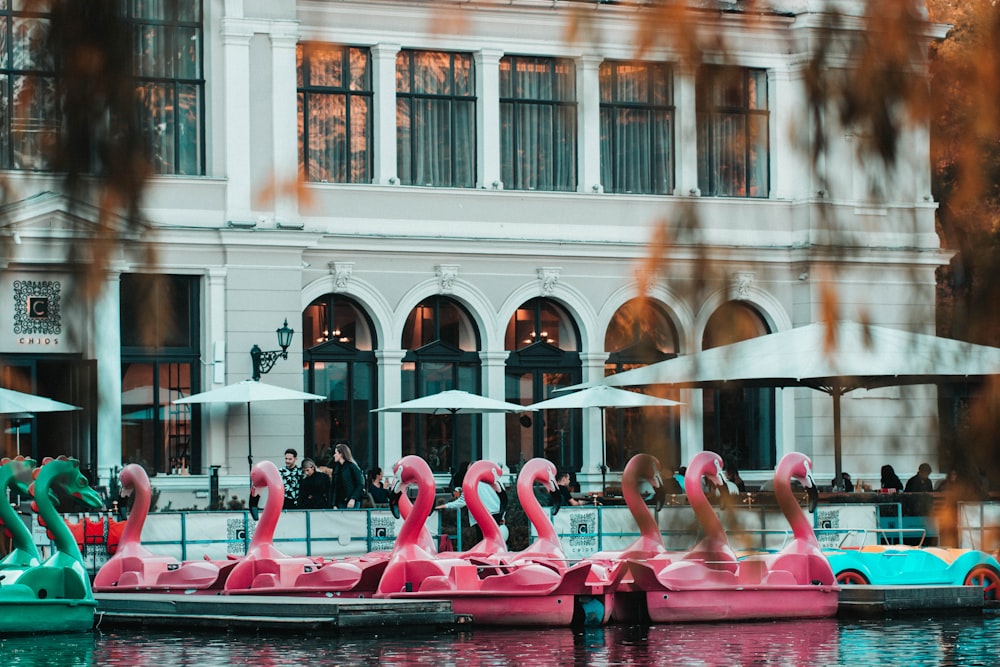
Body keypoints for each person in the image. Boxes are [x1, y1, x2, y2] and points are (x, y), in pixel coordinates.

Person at [331, 442, 365, 509]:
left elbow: (360, 484)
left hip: (352, 502)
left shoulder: (352, 466)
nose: (334, 455)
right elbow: (335, 487)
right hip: (340, 502)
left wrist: (353, 498)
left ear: (341, 454)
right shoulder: (337, 468)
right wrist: (334, 504)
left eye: (336, 453)